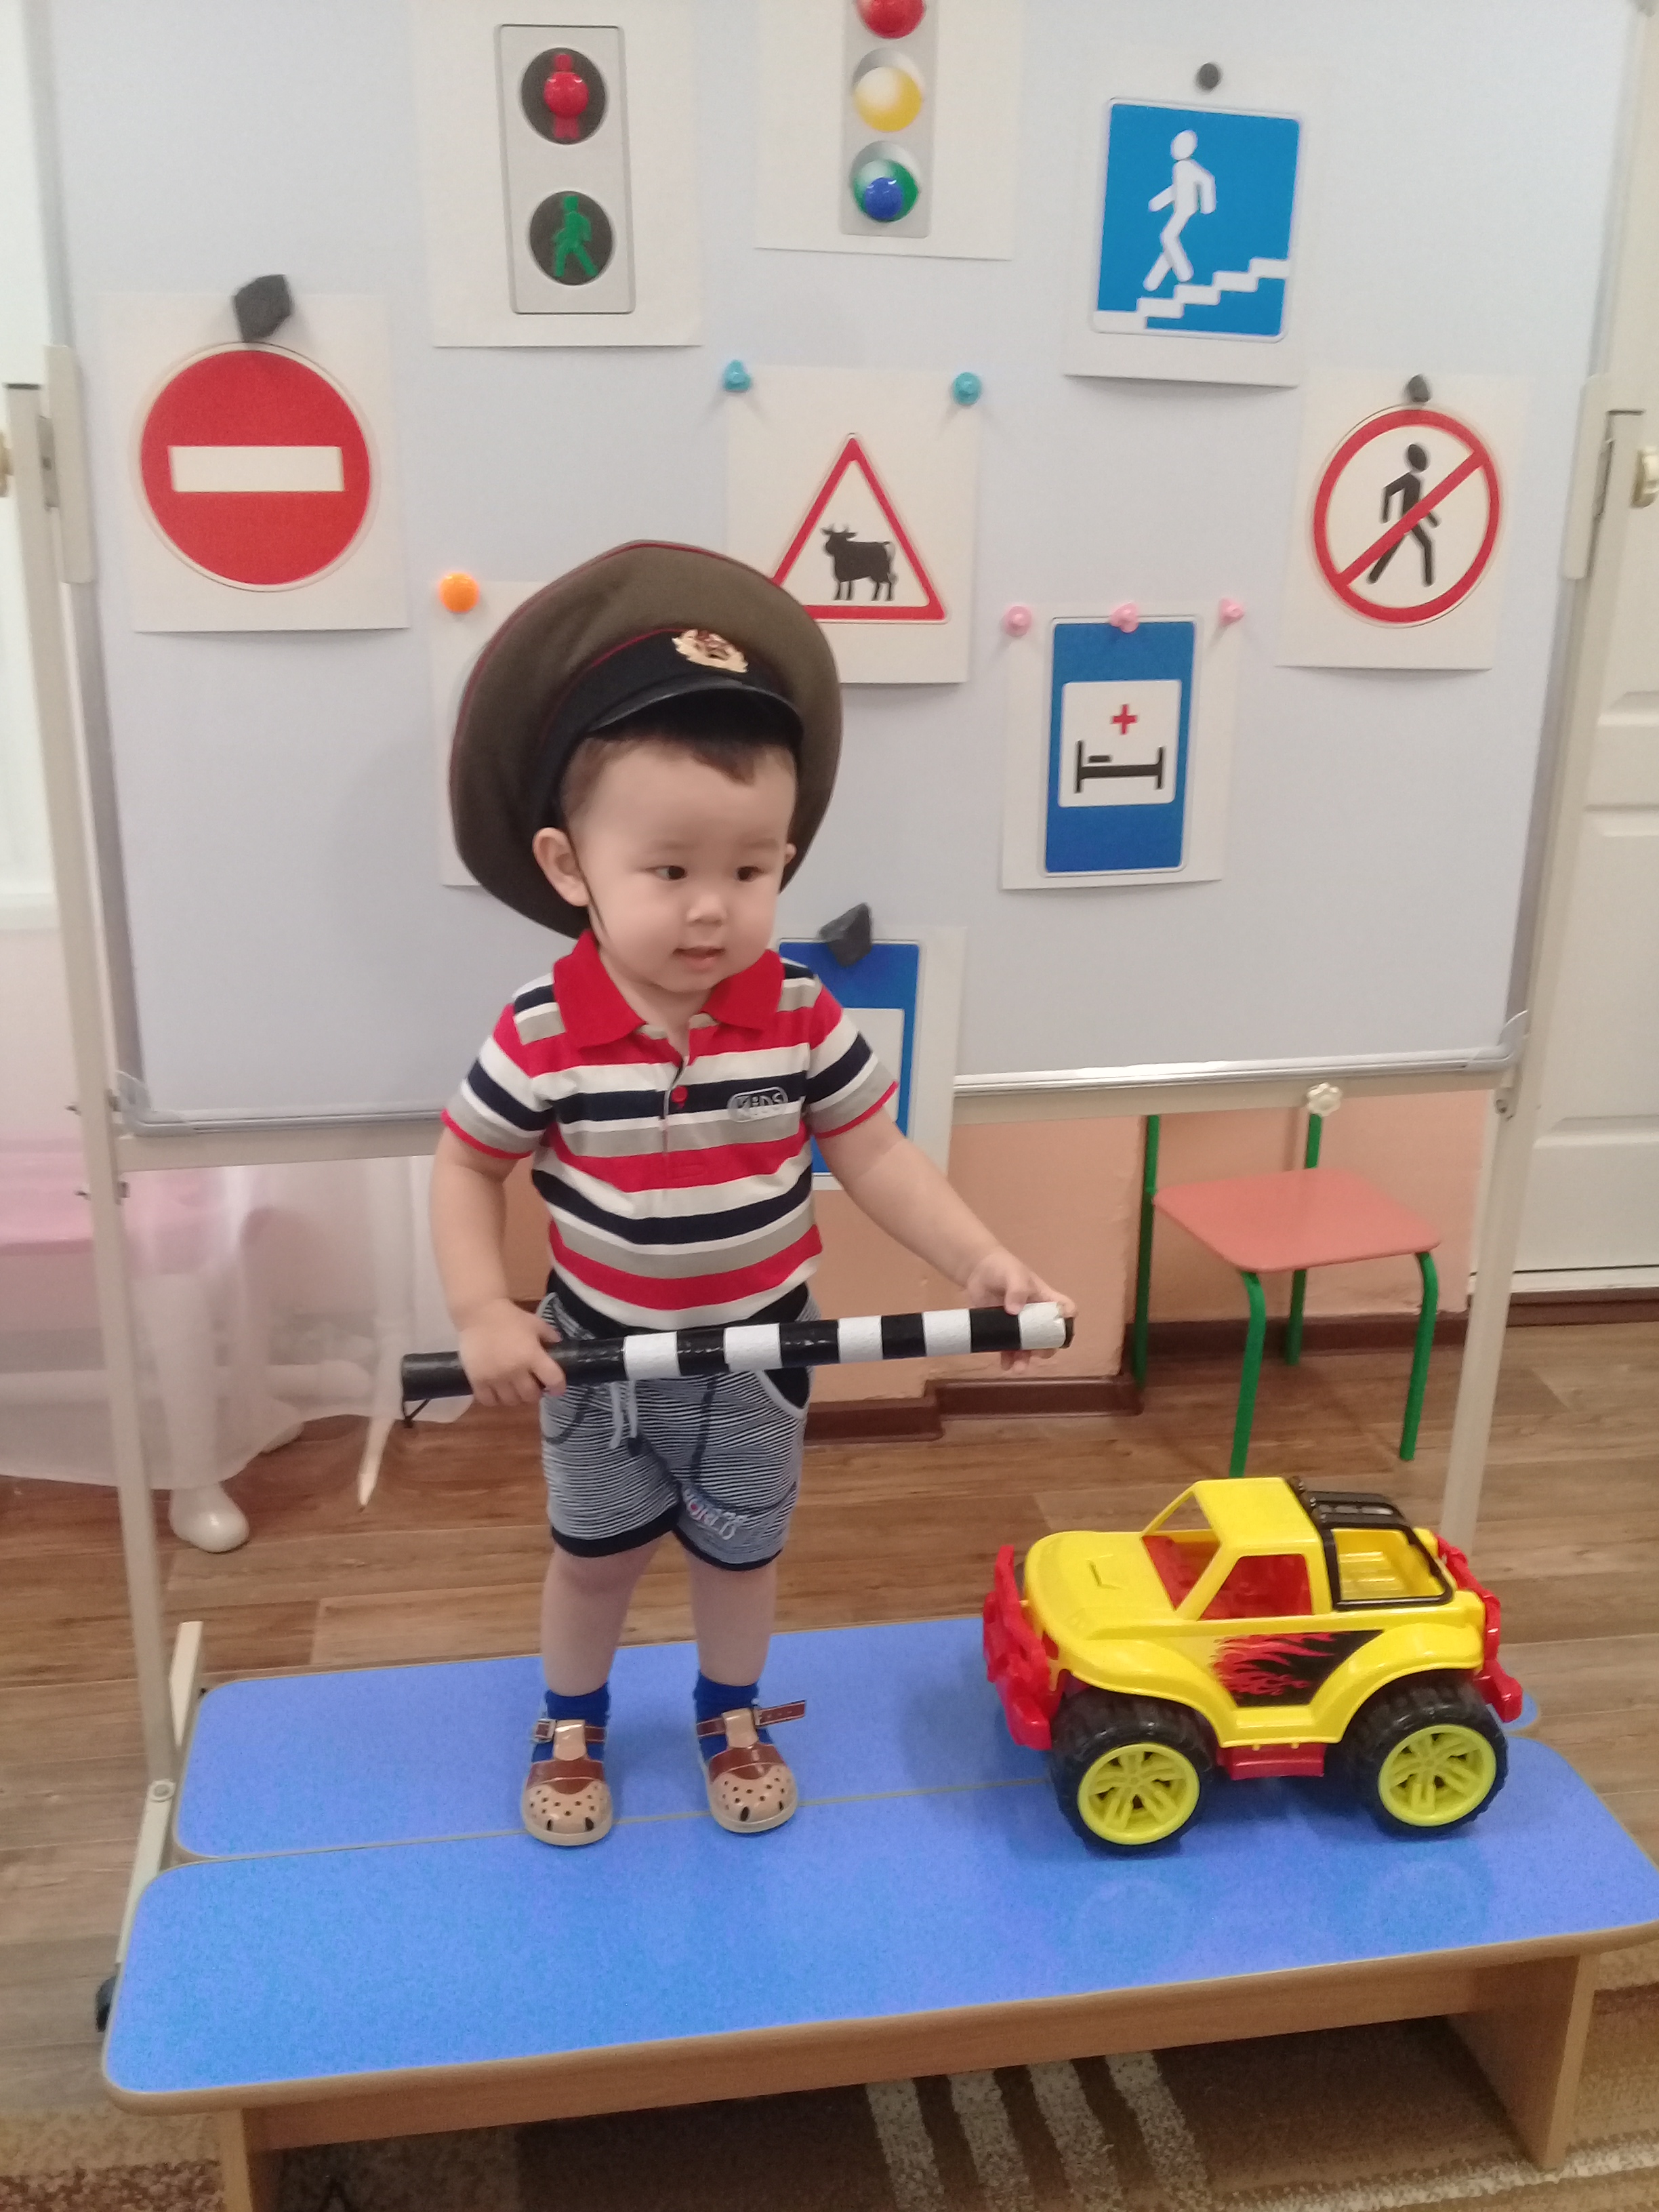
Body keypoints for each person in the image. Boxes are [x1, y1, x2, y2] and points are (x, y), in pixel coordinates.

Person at [432, 544, 1072, 1847]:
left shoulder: (798, 1010)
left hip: (759, 1354)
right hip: (599, 1358)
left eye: (750, 869)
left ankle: (730, 1709)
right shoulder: (541, 1028)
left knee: (742, 1551)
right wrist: (481, 1307)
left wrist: (979, 1259)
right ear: (569, 862)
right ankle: (571, 1720)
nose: (712, 909)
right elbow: (466, 1162)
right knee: (596, 1558)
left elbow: (874, 1151)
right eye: (668, 870)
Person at [1144, 128, 1215, 292]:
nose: (1175, 148)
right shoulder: (1179, 167)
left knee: (1168, 237)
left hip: (1186, 210)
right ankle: (1153, 281)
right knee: (1170, 242)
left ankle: (1185, 273)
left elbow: (1207, 180)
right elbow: (1177, 189)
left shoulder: (1189, 166)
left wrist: (1208, 206)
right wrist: (1158, 203)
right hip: (1180, 209)